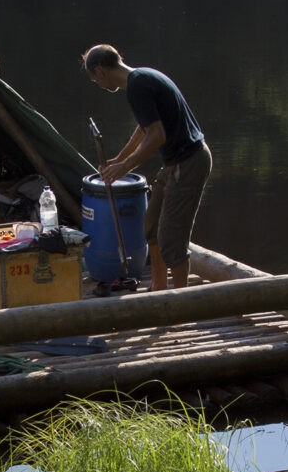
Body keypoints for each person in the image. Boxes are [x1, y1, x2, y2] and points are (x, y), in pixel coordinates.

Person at [86, 43, 211, 290]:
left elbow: (157, 136)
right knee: (151, 227)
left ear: (100, 71)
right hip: (175, 162)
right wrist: (121, 158)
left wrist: (125, 167)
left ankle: (181, 303)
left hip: (188, 162)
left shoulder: (138, 87)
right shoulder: (141, 78)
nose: (98, 85)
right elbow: (145, 126)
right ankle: (158, 289)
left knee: (172, 240)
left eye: (94, 80)